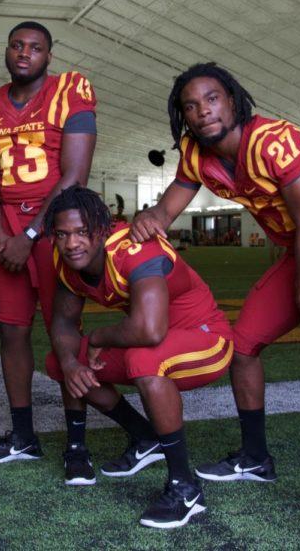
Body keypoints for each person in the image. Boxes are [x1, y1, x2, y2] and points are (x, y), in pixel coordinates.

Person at [131, 63, 300, 538]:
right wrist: (147, 220)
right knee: (241, 347)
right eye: (190, 106)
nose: (202, 112)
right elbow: (167, 208)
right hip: (298, 250)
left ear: (233, 98)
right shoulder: (196, 154)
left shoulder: (274, 141)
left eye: (212, 99)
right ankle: (255, 457)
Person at [45, 186, 232, 527]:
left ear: (102, 229)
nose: (72, 243)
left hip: (206, 339)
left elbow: (149, 330)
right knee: (60, 362)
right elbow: (62, 321)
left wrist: (99, 336)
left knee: (144, 360)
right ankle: (145, 436)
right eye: (63, 234)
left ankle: (185, 488)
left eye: (82, 233)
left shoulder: (134, 248)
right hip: (155, 341)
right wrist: (72, 363)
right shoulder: (65, 259)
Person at [0, 20, 98, 463]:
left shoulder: (71, 91)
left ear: (49, 56)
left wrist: (28, 234)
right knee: (11, 332)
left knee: (64, 332)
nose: (24, 53)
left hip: (57, 228)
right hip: (7, 231)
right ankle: (23, 436)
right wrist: (2, 237)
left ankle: (77, 445)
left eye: (35, 47)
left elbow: (74, 175)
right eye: (17, 45)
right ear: (6, 51)